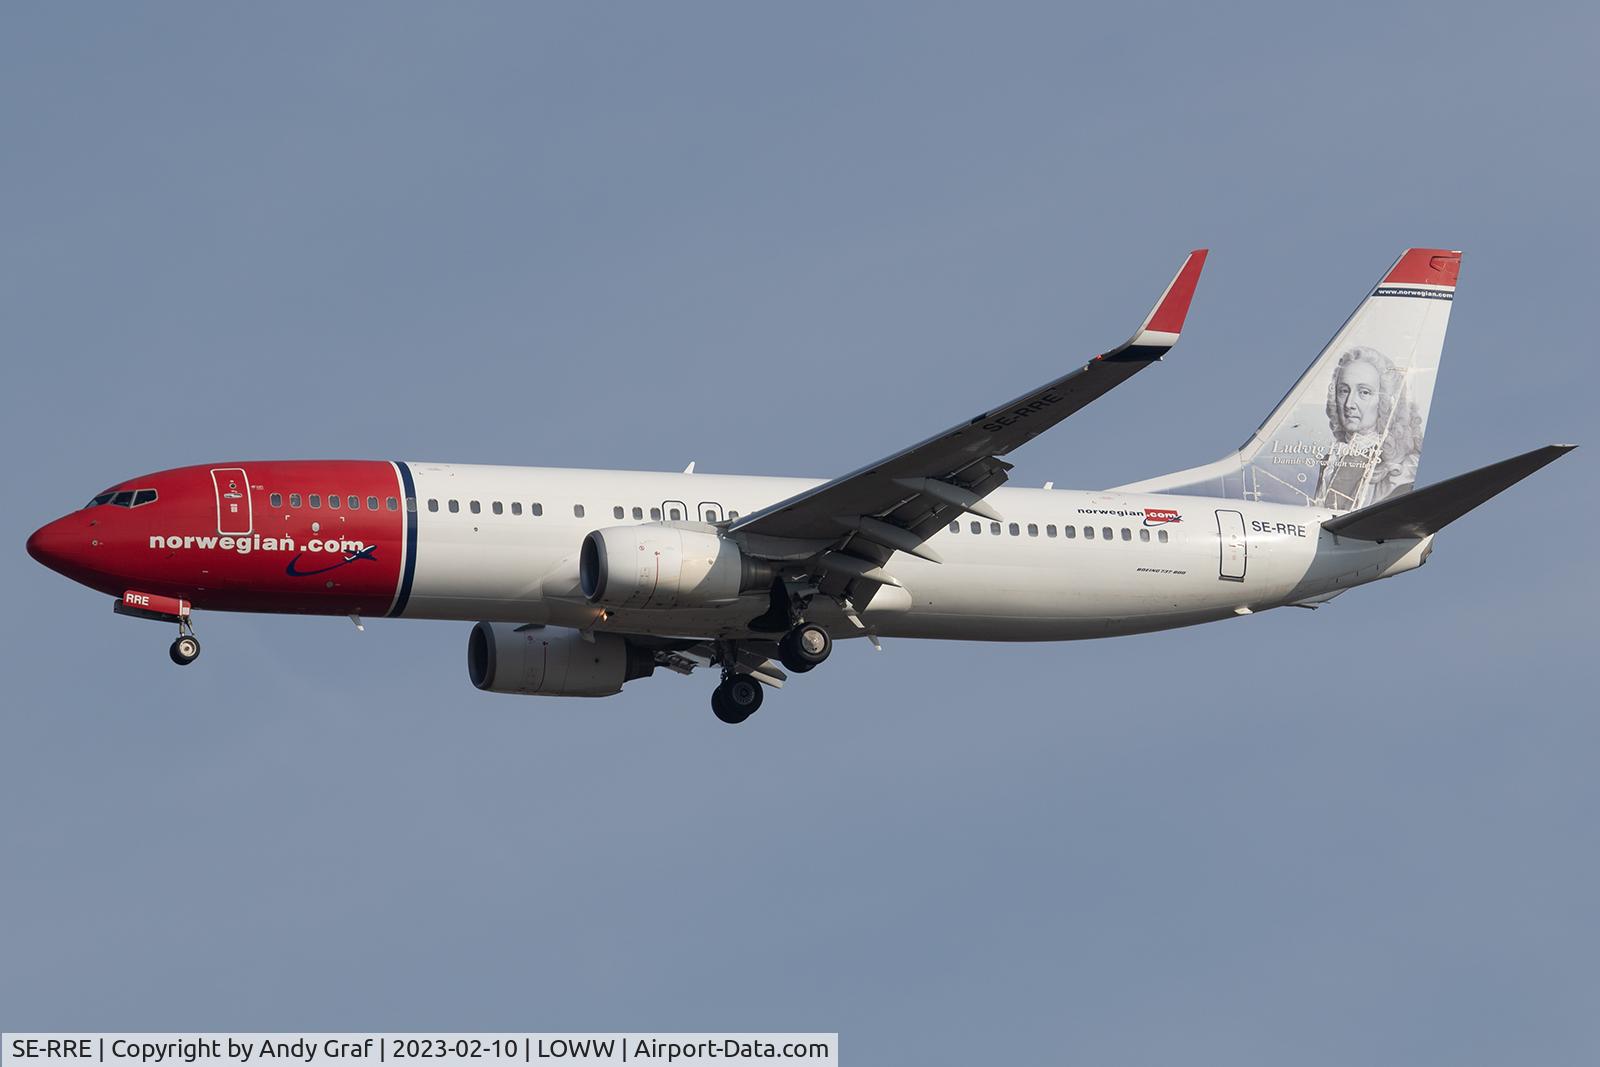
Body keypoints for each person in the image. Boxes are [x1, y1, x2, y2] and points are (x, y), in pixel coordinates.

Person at [1314, 346, 1423, 509]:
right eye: (1344, 390)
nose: (1349, 404)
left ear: (1386, 401)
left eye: (1364, 392)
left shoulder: (1403, 468)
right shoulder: (1332, 459)